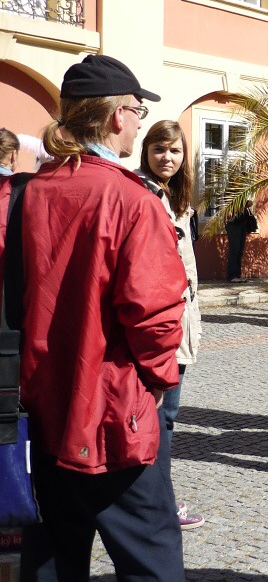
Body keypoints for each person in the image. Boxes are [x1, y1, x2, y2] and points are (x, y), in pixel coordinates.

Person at [7, 54, 187, 581]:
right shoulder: (131, 199)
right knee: (150, 560)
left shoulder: (23, 193)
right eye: (137, 111)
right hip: (113, 414)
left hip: (40, 407)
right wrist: (160, 380)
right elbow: (154, 312)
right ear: (115, 116)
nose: (138, 122)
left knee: (51, 559)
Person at [134, 120, 205, 531]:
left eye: (175, 151)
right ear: (147, 150)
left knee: (167, 415)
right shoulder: (144, 193)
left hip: (180, 322)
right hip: (161, 325)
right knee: (160, 417)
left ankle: (156, 500)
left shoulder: (175, 197)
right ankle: (159, 505)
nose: (167, 157)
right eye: (159, 149)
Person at [225, 200, 257, 282]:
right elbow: (232, 202)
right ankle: (232, 276)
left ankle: (237, 275)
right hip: (233, 223)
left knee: (240, 251)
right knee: (234, 250)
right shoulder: (232, 194)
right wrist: (246, 203)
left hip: (242, 223)